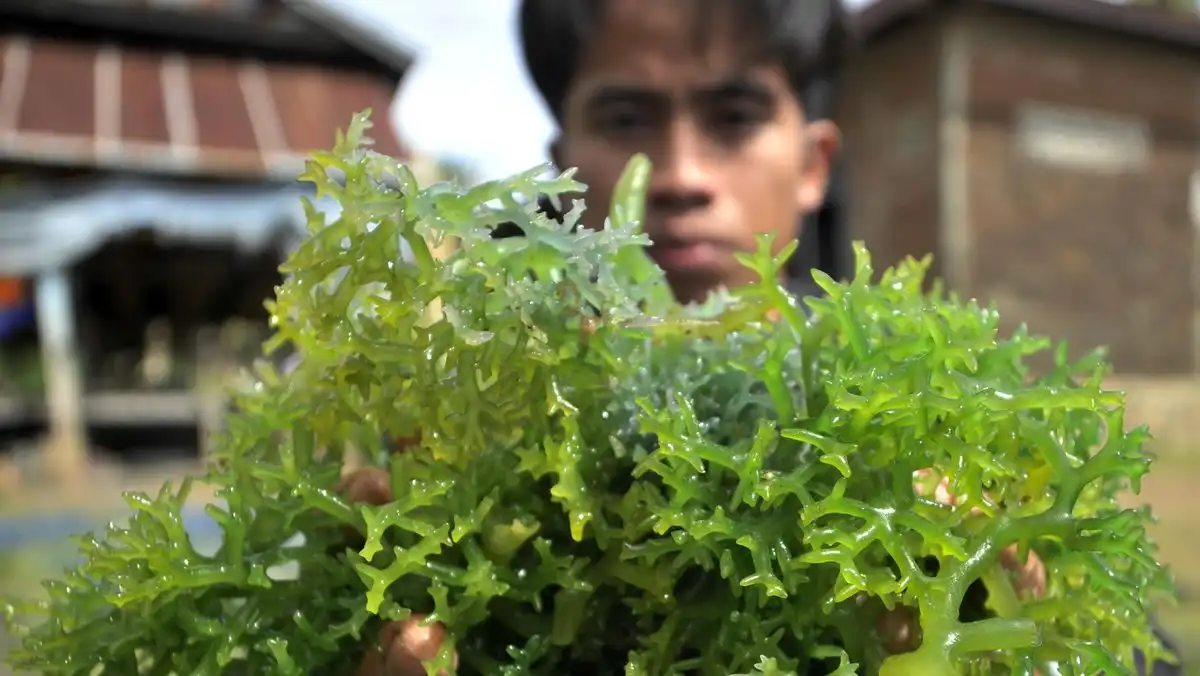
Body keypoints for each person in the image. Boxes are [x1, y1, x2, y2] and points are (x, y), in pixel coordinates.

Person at [345, 0, 1182, 673]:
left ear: (814, 163)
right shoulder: (467, 440)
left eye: (735, 117)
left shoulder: (933, 428)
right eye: (627, 118)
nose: (681, 176)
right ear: (561, 164)